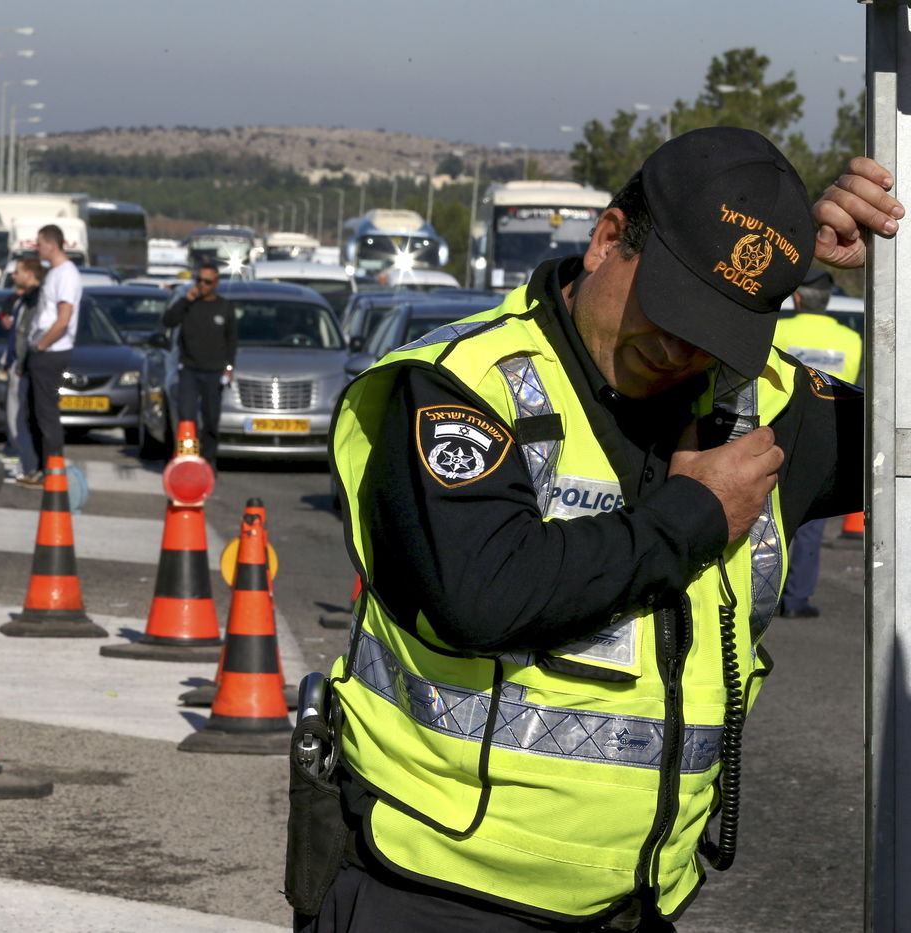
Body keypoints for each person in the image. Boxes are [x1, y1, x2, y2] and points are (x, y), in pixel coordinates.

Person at [290, 128, 901, 932]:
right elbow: (484, 592)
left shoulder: (761, 406)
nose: (683, 348)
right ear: (607, 240)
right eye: (674, 309)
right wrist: (694, 516)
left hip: (636, 907)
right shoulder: (462, 385)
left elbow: (904, 434)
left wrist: (898, 274)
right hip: (434, 893)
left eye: (720, 326)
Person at [772, 267, 863, 618]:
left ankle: (751, 601)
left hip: (776, 433)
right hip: (826, 440)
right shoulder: (851, 340)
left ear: (797, 297)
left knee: (760, 523)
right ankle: (796, 600)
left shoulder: (780, 329)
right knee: (809, 529)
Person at [20, 224, 82, 487]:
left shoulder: (66, 274)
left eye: (40, 243)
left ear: (53, 244)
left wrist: (43, 345)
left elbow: (63, 319)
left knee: (46, 413)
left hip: (52, 352)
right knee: (34, 411)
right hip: (43, 349)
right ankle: (40, 466)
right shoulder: (54, 273)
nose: (38, 248)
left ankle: (53, 469)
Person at [162, 261, 237, 465]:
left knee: (211, 419)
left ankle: (209, 460)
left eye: (207, 281)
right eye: (199, 280)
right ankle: (188, 458)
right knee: (187, 418)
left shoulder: (225, 307)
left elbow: (231, 341)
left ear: (216, 283)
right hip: (189, 370)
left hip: (213, 373)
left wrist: (229, 368)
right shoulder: (188, 304)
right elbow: (168, 321)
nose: (202, 285)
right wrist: (186, 300)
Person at [1, 257, 45, 485]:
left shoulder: (33, 301)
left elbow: (25, 336)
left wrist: (20, 364)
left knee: (17, 420)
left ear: (29, 274)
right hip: (18, 364)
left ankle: (31, 467)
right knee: (17, 421)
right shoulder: (22, 300)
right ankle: (30, 466)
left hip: (22, 367)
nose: (14, 276)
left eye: (18, 271)